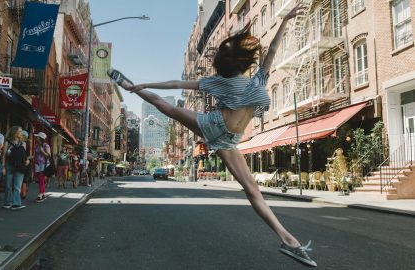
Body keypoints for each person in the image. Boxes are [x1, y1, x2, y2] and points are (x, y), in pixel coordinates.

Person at [108, 4, 316, 268]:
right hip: (213, 125)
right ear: (240, 62)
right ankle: (130, 86)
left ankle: (289, 241)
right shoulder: (225, 81)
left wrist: (285, 20)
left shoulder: (258, 79)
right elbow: (177, 84)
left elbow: (272, 50)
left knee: (252, 189)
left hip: (229, 140)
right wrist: (145, 84)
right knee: (169, 108)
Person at [1, 126, 27, 210]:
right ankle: (7, 202)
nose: (21, 133)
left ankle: (16, 204)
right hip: (9, 165)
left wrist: (27, 161)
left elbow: (24, 156)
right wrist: (3, 167)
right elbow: (4, 155)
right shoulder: (8, 142)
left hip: (20, 166)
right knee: (8, 185)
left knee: (17, 186)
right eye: (20, 131)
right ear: (15, 133)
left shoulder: (23, 143)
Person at [34, 132, 51, 202]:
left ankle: (40, 193)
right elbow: (36, 155)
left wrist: (42, 151)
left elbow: (49, 155)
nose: (36, 138)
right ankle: (43, 193)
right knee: (40, 179)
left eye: (37, 137)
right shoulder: (36, 145)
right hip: (37, 164)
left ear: (41, 138)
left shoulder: (46, 145)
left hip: (44, 164)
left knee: (41, 178)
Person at [21, 130, 33, 199]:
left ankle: (23, 193)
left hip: (24, 162)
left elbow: (26, 155)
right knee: (24, 179)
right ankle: (23, 193)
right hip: (26, 162)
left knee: (23, 179)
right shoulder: (28, 143)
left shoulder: (24, 143)